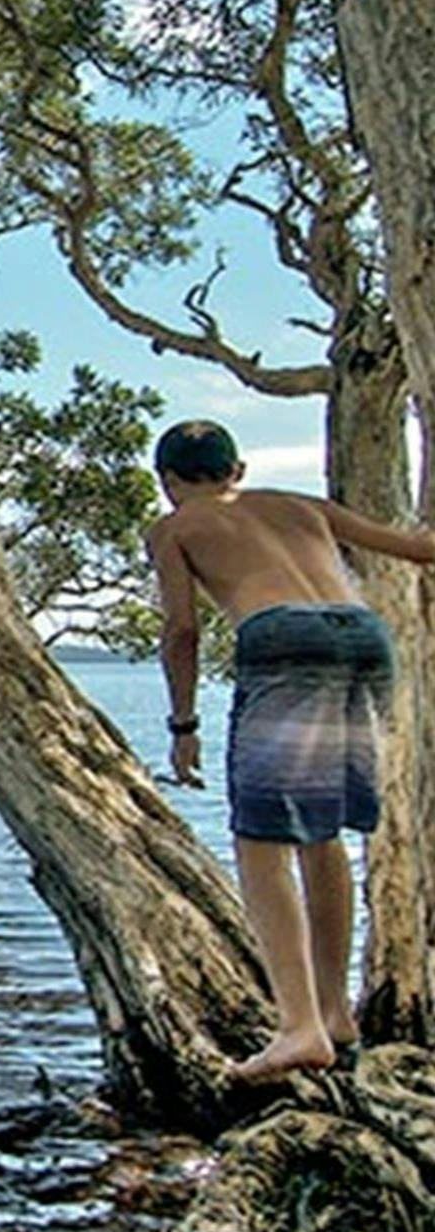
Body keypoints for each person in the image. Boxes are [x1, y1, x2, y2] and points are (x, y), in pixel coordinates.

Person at [146, 419, 434, 1084]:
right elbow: (419, 549)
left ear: (167, 482)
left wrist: (183, 723)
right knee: (321, 831)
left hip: (284, 644)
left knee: (260, 842)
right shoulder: (299, 506)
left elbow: (182, 631)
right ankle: (333, 1014)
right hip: (363, 638)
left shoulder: (176, 528)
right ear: (236, 470)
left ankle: (299, 1028)